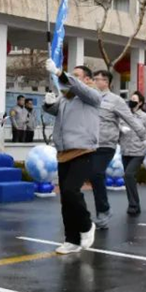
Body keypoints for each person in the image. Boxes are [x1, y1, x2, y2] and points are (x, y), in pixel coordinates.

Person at [42, 59, 100, 254]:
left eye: (77, 76)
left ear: (88, 79)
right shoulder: (67, 97)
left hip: (83, 149)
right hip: (64, 151)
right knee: (65, 199)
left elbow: (79, 88)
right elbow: (55, 111)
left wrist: (60, 73)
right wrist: (49, 103)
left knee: (70, 191)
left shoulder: (91, 95)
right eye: (71, 75)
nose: (72, 78)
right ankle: (71, 240)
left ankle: (87, 225)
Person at [91, 70, 146, 228]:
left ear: (106, 82)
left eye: (97, 79)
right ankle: (98, 212)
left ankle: (104, 211)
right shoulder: (88, 97)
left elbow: (130, 119)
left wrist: (144, 137)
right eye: (93, 78)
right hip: (88, 143)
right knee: (90, 176)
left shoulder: (116, 100)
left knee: (97, 173)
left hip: (105, 144)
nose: (94, 81)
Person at [119, 91, 146, 217]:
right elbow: (116, 126)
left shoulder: (145, 117)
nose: (131, 101)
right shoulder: (124, 115)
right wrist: (120, 128)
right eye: (130, 98)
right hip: (125, 150)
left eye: (134, 99)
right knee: (129, 179)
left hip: (139, 151)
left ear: (140, 103)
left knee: (128, 175)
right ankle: (133, 203)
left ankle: (133, 205)